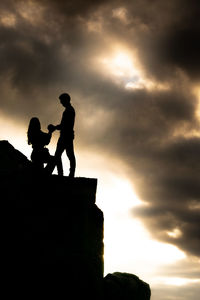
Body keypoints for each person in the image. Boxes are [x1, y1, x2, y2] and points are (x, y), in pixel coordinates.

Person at [49, 93, 76, 177]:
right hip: (66, 136)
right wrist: (56, 127)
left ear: (66, 100)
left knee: (63, 155)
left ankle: (64, 174)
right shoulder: (69, 110)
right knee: (66, 155)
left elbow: (64, 125)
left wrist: (55, 127)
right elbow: (63, 125)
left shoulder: (69, 111)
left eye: (61, 101)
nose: (61, 103)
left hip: (65, 136)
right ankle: (65, 173)